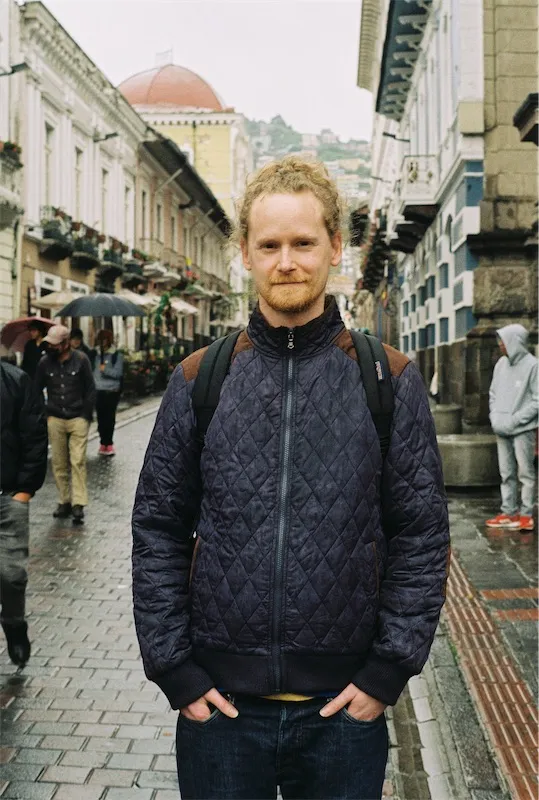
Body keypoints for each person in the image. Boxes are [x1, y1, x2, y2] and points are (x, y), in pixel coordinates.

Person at [132, 157, 450, 800]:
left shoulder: (386, 377)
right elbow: (158, 527)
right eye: (269, 245)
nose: (287, 262)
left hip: (343, 713)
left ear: (336, 247)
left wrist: (387, 671)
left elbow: (420, 534)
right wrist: (177, 672)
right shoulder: (201, 377)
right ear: (244, 253)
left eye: (303, 243)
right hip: (222, 715)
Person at [1, 361, 48, 667]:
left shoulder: (15, 380)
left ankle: (14, 624)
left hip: (7, 497)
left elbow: (34, 436)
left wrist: (24, 490)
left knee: (10, 574)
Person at [36, 324, 96, 525]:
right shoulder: (45, 363)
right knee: (59, 462)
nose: (51, 347)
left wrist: (86, 415)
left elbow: (90, 388)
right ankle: (64, 501)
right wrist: (46, 414)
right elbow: (36, 390)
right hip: (55, 417)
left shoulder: (81, 360)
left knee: (77, 460)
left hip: (78, 416)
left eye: (55, 344)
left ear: (65, 343)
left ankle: (78, 503)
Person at [487, 324, 538, 532]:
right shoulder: (500, 364)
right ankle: (508, 511)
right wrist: (495, 416)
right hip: (501, 427)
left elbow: (537, 400)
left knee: (525, 473)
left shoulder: (533, 365)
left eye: (504, 341)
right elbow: (493, 393)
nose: (501, 345)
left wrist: (516, 420)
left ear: (515, 342)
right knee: (505, 473)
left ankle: (526, 515)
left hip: (522, 429)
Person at [89, 329, 124, 456]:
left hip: (111, 391)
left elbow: (118, 373)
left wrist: (106, 370)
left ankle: (109, 443)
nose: (102, 342)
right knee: (100, 418)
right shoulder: (96, 355)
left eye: (104, 340)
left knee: (109, 418)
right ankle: (102, 442)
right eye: (100, 340)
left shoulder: (116, 355)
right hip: (98, 390)